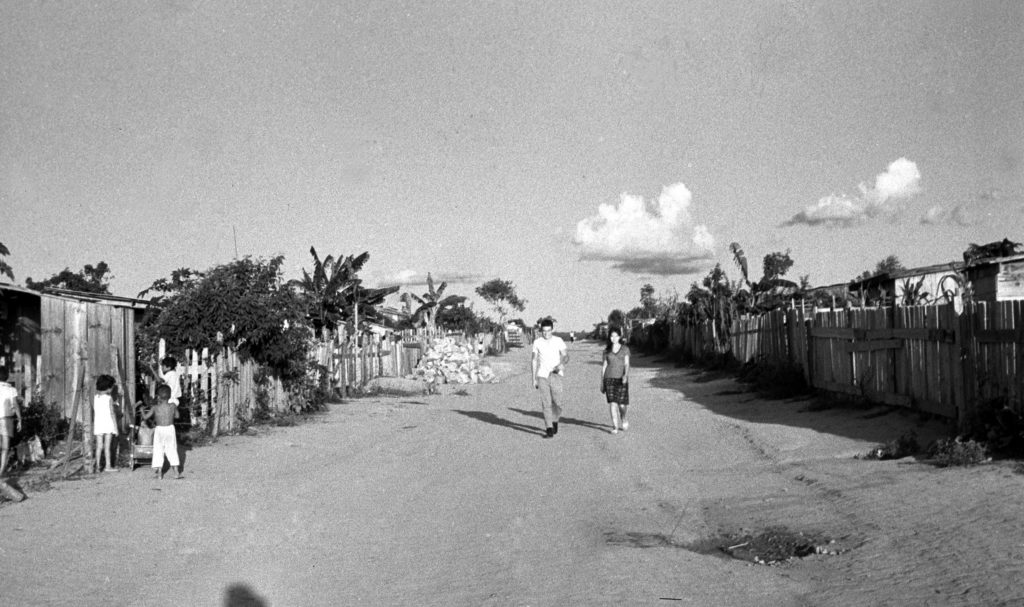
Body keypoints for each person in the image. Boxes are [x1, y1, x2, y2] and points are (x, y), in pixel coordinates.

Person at [532, 317, 568, 438]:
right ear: (540, 331)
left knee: (557, 403)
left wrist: (562, 364)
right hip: (542, 376)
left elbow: (566, 355)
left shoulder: (558, 340)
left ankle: (555, 420)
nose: (546, 333)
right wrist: (534, 379)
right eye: (544, 331)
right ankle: (549, 428)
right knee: (546, 403)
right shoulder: (537, 342)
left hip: (556, 374)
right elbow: (533, 360)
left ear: (552, 329)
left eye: (548, 330)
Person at [142, 384, 182, 479]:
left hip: (159, 429)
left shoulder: (155, 407)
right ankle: (176, 472)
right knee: (171, 448)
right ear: (169, 396)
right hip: (170, 429)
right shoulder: (172, 406)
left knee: (158, 449)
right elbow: (177, 416)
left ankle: (159, 473)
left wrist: (142, 410)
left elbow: (145, 417)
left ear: (158, 397)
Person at [600, 326, 631, 434]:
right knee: (613, 403)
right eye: (612, 336)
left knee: (622, 404)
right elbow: (604, 366)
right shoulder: (606, 351)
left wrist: (625, 375)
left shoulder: (625, 349)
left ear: (620, 336)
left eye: (616, 336)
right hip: (609, 379)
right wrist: (602, 382)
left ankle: (624, 418)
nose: (614, 338)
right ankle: (615, 427)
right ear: (609, 337)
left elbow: (627, 364)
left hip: (621, 379)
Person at [92, 374, 119, 472]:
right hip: (108, 424)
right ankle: (108, 466)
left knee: (99, 446)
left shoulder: (95, 398)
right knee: (107, 447)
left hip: (98, 424)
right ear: (108, 387)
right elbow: (112, 413)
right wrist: (115, 428)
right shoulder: (109, 398)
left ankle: (97, 466)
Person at [0, 368, 22, 477]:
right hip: (6, 419)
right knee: (5, 447)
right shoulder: (11, 390)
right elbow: (15, 405)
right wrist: (20, 420)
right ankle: (1, 471)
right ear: (7, 376)